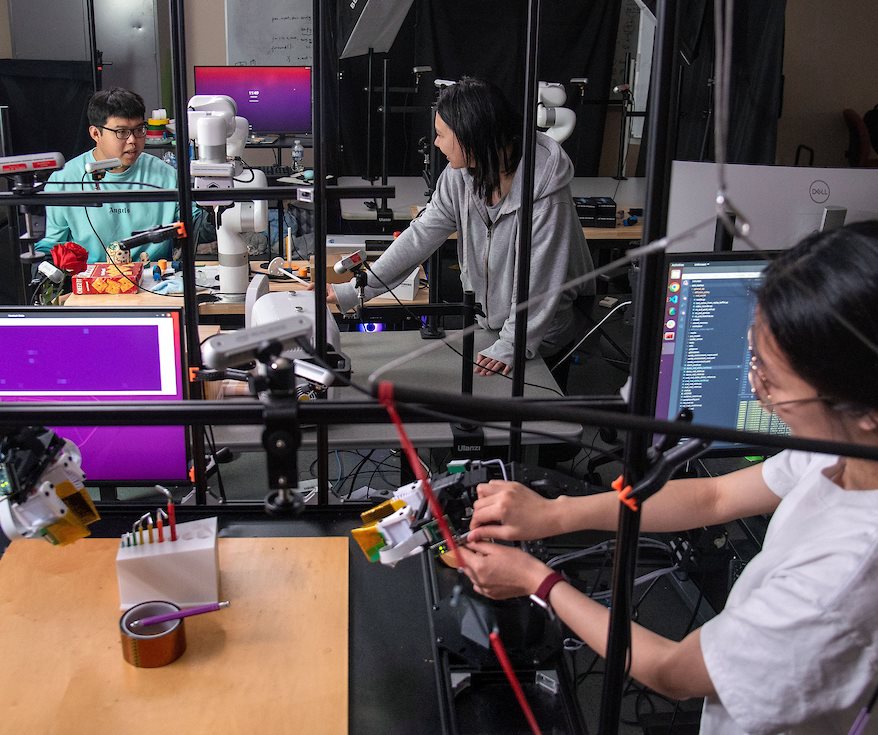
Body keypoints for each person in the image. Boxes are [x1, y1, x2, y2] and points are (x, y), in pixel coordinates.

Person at [458, 221, 878, 734]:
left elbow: (673, 671)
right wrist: (555, 514)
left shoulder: (848, 574)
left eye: (772, 380)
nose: (757, 388)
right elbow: (715, 494)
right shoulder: (841, 450)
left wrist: (537, 581)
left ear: (865, 408)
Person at [328, 77, 595, 385]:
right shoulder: (461, 176)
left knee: (535, 423)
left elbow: (540, 281)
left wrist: (512, 345)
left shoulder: (545, 194)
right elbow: (421, 234)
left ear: (472, 135)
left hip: (540, 335)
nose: (437, 143)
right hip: (491, 326)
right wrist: (356, 289)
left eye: (442, 135)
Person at [35, 87, 213, 263]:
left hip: (154, 281)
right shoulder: (65, 180)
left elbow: (194, 227)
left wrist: (216, 214)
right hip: (92, 282)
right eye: (121, 132)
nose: (132, 140)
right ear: (96, 133)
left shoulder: (165, 175)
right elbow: (53, 246)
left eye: (139, 130)